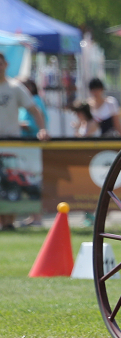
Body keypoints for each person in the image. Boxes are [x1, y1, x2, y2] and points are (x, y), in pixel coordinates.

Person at [0, 52, 49, 230]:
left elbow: (34, 110)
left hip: (12, 143)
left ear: (6, 64)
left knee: (11, 183)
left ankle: (9, 222)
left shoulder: (15, 87)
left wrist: (43, 129)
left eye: (0, 63)